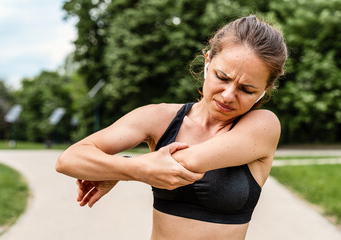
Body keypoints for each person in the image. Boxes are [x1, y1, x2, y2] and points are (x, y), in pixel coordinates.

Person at [56, 15, 288, 240]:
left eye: (247, 90)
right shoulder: (160, 118)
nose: (228, 96)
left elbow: (183, 163)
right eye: (222, 77)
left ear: (265, 90)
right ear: (208, 62)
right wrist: (128, 166)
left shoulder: (263, 126)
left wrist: (120, 167)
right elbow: (68, 160)